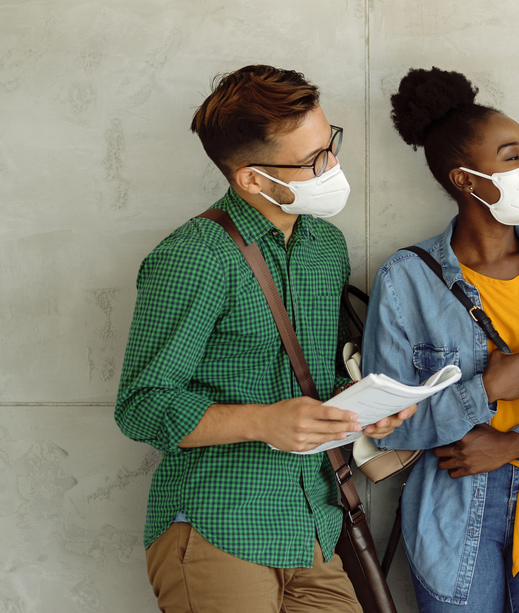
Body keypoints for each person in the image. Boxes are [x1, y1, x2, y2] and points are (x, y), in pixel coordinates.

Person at [114, 64, 413, 613]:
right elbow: (140, 406)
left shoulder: (326, 245)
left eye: (331, 146)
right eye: (312, 161)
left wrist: (364, 412)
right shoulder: (194, 256)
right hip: (219, 527)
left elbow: (312, 380)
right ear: (251, 178)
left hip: (315, 525)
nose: (333, 168)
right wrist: (263, 421)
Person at [362, 67, 519, 613]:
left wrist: (518, 443)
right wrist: (486, 390)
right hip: (453, 503)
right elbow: (383, 428)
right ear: (466, 180)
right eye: (512, 156)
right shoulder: (406, 278)